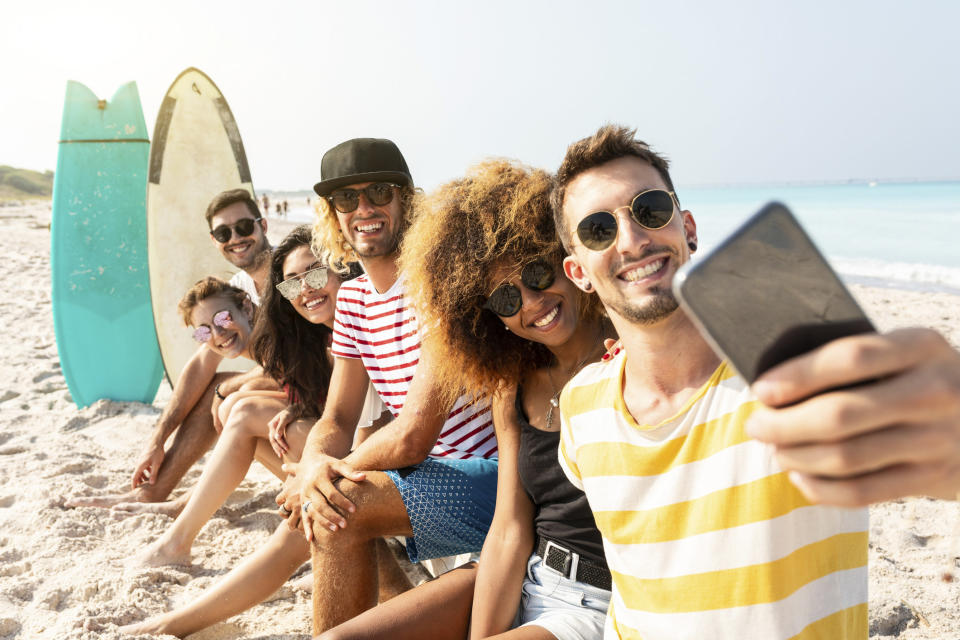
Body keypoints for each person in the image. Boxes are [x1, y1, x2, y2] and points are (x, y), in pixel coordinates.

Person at [551, 125, 960, 639]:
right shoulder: (581, 406)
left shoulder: (796, 371)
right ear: (579, 271)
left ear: (688, 228)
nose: (631, 240)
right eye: (598, 230)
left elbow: (928, 434)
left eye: (649, 209)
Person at [317, 160, 618, 640]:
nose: (531, 302)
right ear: (487, 319)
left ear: (568, 261)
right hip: (531, 577)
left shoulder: (628, 352)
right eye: (504, 300)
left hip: (600, 602)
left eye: (537, 274)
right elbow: (509, 531)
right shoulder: (513, 384)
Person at [118, 226, 412, 637]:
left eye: (315, 273)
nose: (306, 289)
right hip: (368, 463)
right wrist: (295, 414)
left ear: (340, 267)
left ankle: (171, 619)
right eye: (293, 282)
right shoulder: (318, 333)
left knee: (304, 514)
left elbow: (384, 428)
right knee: (252, 422)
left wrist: (311, 474)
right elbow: (337, 408)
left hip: (399, 473)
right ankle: (177, 574)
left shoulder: (368, 321)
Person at [278, 137, 498, 634]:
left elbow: (413, 434)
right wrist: (314, 465)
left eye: (379, 191)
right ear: (332, 214)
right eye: (346, 199)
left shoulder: (440, 285)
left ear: (407, 201)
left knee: (337, 505)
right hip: (427, 480)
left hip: (491, 476)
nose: (364, 208)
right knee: (331, 505)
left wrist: (323, 480)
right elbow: (337, 418)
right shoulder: (353, 298)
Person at [66, 189, 274, 514]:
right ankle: (154, 492)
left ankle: (185, 504)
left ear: (262, 225)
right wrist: (157, 440)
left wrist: (229, 389)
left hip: (322, 399)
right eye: (223, 232)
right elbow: (200, 366)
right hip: (288, 390)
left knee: (226, 395)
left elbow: (311, 361)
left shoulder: (291, 275)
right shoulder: (239, 287)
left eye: (244, 226)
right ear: (214, 239)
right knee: (214, 388)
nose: (235, 238)